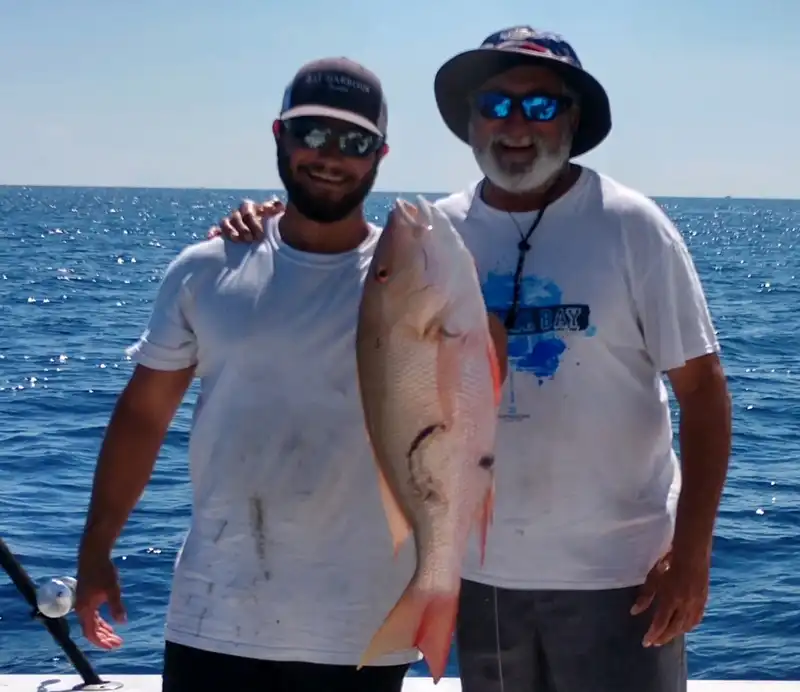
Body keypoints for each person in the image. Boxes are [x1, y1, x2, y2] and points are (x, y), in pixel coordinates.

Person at [211, 25, 733, 692]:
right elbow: (335, 264)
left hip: (620, 576)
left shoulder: (634, 227)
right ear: (470, 120)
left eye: (540, 105)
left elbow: (703, 390)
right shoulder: (437, 233)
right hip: (479, 574)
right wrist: (258, 225)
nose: (516, 124)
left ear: (572, 118)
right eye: (495, 104)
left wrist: (692, 553)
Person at [74, 57, 510, 692]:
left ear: (380, 155)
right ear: (280, 135)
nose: (330, 156)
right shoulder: (205, 269)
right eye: (312, 133)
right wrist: (96, 546)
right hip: (216, 617)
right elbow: (144, 416)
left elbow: (479, 379)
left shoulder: (412, 269)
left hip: (364, 626)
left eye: (354, 142)